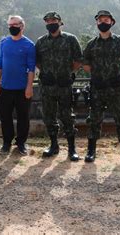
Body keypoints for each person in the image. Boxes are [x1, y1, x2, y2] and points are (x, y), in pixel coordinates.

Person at [83, 10, 120, 165]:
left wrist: (119, 74)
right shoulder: (92, 44)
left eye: (106, 20)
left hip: (117, 87)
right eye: (100, 20)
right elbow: (86, 65)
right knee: (94, 119)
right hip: (98, 87)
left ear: (112, 22)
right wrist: (98, 75)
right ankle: (91, 151)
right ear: (97, 23)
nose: (103, 23)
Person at [35, 12, 83, 161]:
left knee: (67, 116)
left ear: (60, 22)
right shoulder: (41, 41)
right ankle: (53, 145)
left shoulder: (70, 39)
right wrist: (45, 72)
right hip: (47, 85)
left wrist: (69, 74)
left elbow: (78, 60)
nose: (51, 23)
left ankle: (72, 149)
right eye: (48, 21)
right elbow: (36, 60)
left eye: (54, 20)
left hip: (64, 85)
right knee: (49, 116)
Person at [0, 15, 36, 156]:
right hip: (5, 87)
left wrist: (29, 87)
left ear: (22, 26)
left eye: (15, 24)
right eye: (10, 25)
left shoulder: (29, 45)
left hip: (22, 88)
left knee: (23, 117)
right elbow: (0, 63)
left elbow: (31, 68)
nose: (12, 27)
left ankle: (21, 143)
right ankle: (6, 142)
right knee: (5, 115)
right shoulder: (4, 43)